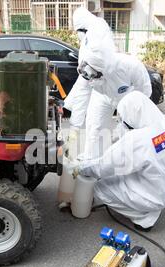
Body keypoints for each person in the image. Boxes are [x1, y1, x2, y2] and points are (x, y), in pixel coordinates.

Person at [70, 91, 165, 231]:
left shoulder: (139, 139)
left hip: (154, 196)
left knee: (100, 187)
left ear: (132, 115)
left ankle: (144, 219)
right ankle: (150, 208)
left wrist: (81, 168)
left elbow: (103, 167)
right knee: (130, 170)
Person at [63, 8, 151, 160]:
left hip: (126, 97)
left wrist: (128, 119)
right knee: (94, 126)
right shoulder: (88, 70)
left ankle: (124, 164)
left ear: (105, 68)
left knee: (125, 136)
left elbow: (145, 93)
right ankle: (91, 160)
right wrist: (73, 133)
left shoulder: (130, 66)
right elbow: (81, 100)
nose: (91, 78)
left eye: (95, 74)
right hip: (102, 96)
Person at [62, 7, 116, 160]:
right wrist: (67, 106)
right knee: (87, 121)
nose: (79, 33)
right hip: (91, 79)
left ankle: (95, 161)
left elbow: (97, 59)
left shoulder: (97, 29)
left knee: (95, 123)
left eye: (80, 29)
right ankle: (89, 156)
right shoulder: (90, 33)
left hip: (101, 85)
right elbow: (81, 87)